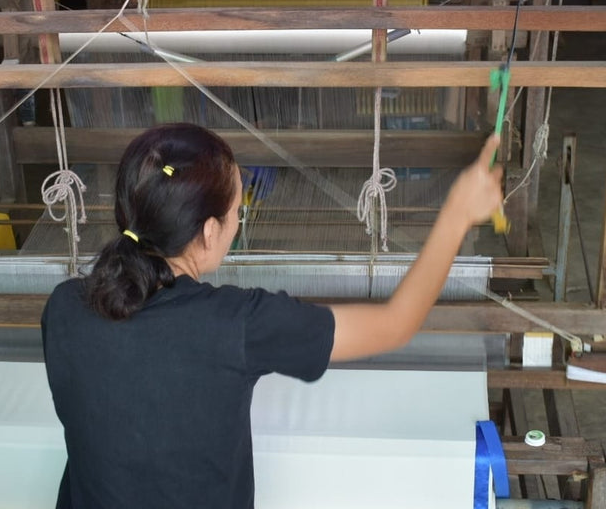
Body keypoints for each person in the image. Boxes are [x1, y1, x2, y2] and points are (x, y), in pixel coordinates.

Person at [41, 122, 503, 509]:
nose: (240, 221)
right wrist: (457, 214)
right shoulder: (237, 326)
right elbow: (397, 323)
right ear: (208, 232)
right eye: (237, 210)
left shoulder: (63, 308)